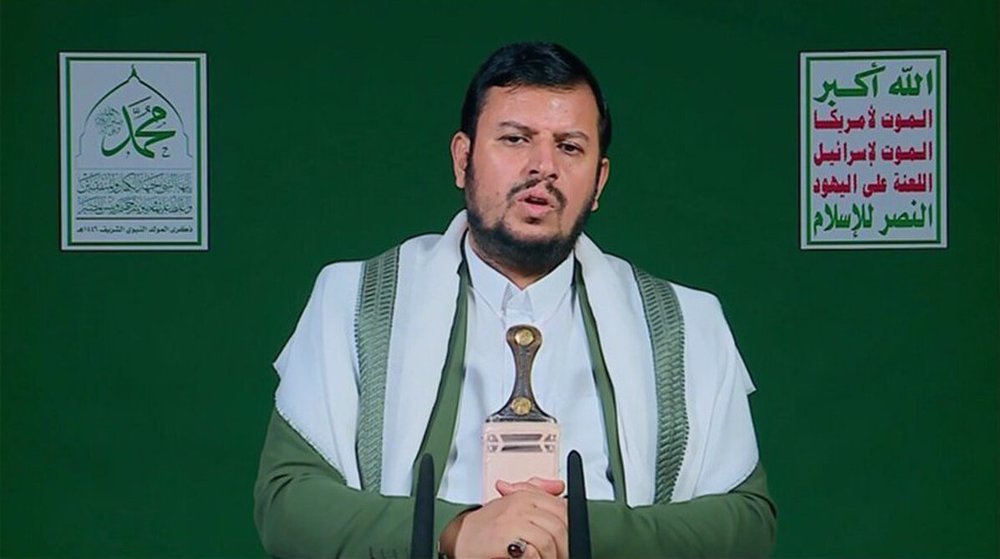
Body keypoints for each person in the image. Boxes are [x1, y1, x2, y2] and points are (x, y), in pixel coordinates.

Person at [254, 42, 777, 559]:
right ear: (463, 159)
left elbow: (746, 520)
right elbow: (288, 502)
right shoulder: (354, 303)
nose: (542, 167)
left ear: (599, 181)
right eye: (515, 139)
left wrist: (580, 533)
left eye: (570, 147)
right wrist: (456, 532)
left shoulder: (684, 323)